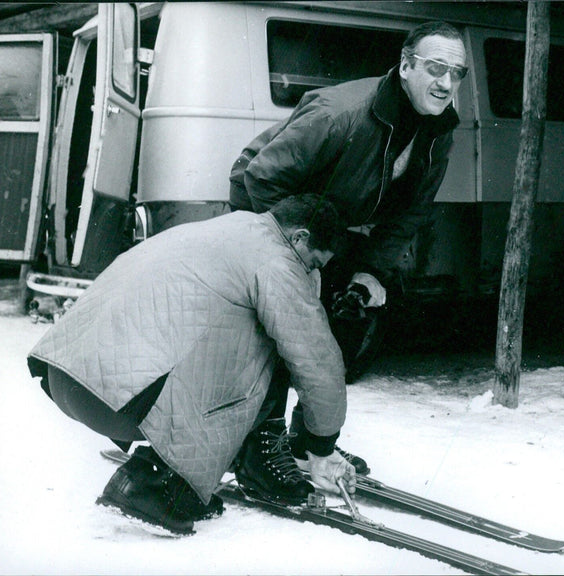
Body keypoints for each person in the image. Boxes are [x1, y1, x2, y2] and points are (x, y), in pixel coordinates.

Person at [228, 21, 468, 498]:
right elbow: (259, 178)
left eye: (456, 73)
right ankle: (260, 446)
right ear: (405, 66)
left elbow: (412, 212)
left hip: (334, 227)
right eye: (435, 68)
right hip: (269, 211)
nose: (445, 83)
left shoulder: (439, 133)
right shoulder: (342, 112)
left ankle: (306, 437)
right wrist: (299, 257)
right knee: (279, 328)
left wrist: (369, 271)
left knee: (347, 319)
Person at [27, 194, 357, 536]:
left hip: (71, 377)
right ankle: (154, 481)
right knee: (270, 338)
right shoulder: (277, 261)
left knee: (219, 317)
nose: (313, 272)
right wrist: (320, 445)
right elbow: (317, 360)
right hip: (121, 403)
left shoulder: (227, 227)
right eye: (314, 262)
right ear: (299, 237)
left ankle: (211, 461)